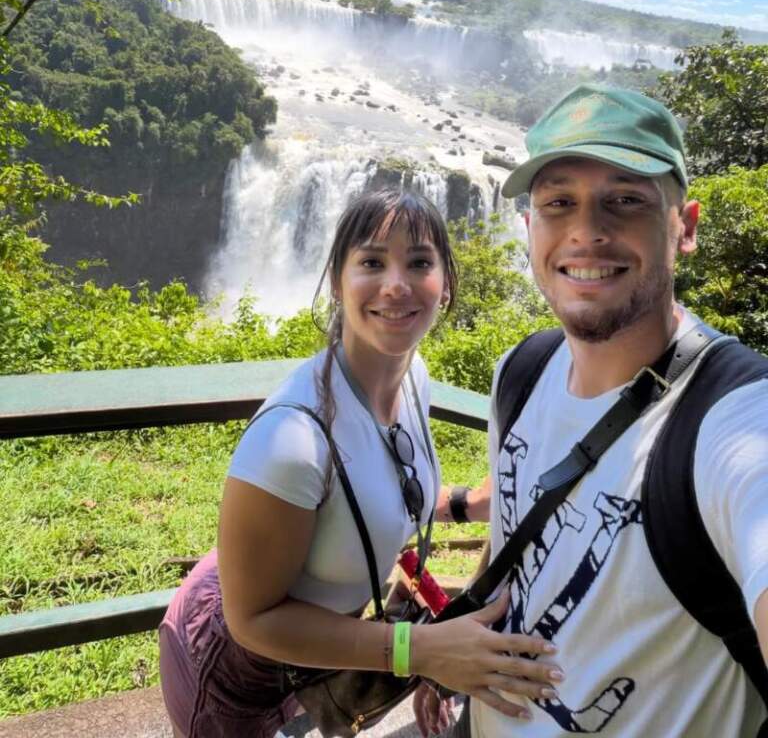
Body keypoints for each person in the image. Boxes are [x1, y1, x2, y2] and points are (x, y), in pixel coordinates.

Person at [158, 188, 563, 738]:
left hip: (322, 653)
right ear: (337, 283)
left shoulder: (413, 380)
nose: (396, 284)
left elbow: (375, 497)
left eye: (419, 262)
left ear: (444, 286)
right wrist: (419, 651)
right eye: (372, 262)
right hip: (236, 669)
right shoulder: (292, 438)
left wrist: (466, 505)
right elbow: (251, 619)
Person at [435, 84, 768, 737]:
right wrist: (454, 639)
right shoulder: (521, 373)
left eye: (626, 200)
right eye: (559, 202)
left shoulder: (730, 420)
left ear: (686, 226)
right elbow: (516, 536)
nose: (587, 231)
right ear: (531, 227)